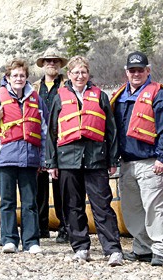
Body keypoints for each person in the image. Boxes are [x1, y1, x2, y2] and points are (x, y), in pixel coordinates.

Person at [45, 56, 124, 266]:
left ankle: (113, 249)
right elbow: (52, 132)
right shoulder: (59, 97)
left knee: (102, 205)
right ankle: (80, 247)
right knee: (72, 206)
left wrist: (112, 158)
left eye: (83, 72)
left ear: (88, 74)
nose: (80, 76)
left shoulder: (100, 96)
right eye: (75, 72)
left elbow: (111, 130)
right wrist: (51, 162)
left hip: (95, 159)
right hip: (67, 160)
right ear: (69, 75)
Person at [111, 51, 163, 266]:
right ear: (126, 72)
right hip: (127, 162)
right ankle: (142, 248)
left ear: (148, 71)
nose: (136, 73)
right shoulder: (120, 97)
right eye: (132, 70)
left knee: (156, 208)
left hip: (152, 162)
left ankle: (160, 250)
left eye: (140, 70)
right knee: (133, 209)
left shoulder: (160, 96)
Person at [0, 58, 48, 254]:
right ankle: (9, 239)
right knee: (7, 201)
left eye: (22, 76)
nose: (18, 78)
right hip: (4, 157)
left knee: (30, 202)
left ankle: (31, 241)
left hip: (29, 158)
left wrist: (43, 159)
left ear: (27, 78)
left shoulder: (36, 98)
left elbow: (43, 131)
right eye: (15, 75)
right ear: (8, 78)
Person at [32, 48, 69, 243]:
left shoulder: (67, 85)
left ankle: (65, 228)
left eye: (55, 61)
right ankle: (41, 227)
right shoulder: (34, 87)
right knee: (39, 188)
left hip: (61, 141)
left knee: (61, 187)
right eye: (48, 61)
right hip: (39, 141)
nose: (51, 63)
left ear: (60, 64)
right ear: (43, 64)